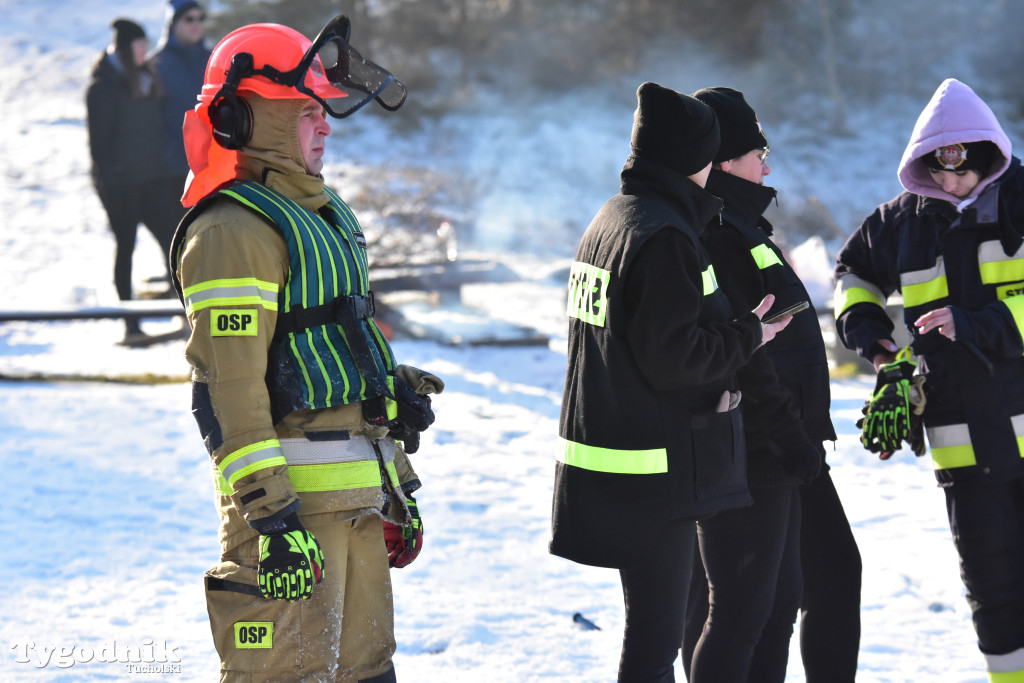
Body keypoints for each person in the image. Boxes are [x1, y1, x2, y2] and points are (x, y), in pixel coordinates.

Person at [168, 16, 437, 682]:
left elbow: (329, 342)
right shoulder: (233, 230)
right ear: (245, 116)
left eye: (325, 111)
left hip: (354, 511)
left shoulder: (325, 216)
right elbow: (229, 389)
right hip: (287, 527)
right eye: (305, 110)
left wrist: (394, 474)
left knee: (368, 671)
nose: (325, 126)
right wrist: (274, 515)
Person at [549, 81, 795, 683]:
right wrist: (748, 337)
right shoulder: (663, 236)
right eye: (710, 158)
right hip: (655, 470)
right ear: (692, 161)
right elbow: (673, 356)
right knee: (653, 650)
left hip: (615, 461)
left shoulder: (612, 219)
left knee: (649, 637)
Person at [835, 77, 1024, 683]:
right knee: (992, 592)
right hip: (961, 451)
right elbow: (852, 274)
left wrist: (978, 324)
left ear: (990, 156)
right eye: (936, 173)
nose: (948, 184)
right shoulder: (900, 222)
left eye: (960, 173)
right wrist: (877, 342)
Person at [681, 87, 861, 683]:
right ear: (726, 160)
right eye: (760, 151)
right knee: (745, 607)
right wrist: (786, 436)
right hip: (759, 443)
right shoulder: (718, 232)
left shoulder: (743, 226)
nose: (768, 164)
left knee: (792, 593)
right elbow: (744, 351)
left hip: (788, 439)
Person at [86, 18, 178, 343]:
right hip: (121, 187)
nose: (145, 50)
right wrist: (113, 184)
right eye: (139, 45)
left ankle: (185, 313)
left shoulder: (145, 80)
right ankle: (131, 324)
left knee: (173, 240)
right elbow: (100, 145)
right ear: (125, 49)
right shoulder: (102, 88)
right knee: (126, 248)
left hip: (151, 180)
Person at [149, 0, 212, 286]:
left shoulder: (214, 59)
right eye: (189, 18)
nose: (196, 23)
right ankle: (180, 306)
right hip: (173, 169)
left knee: (213, 238)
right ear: (173, 22)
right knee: (180, 242)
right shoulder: (155, 65)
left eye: (200, 17)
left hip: (214, 167)